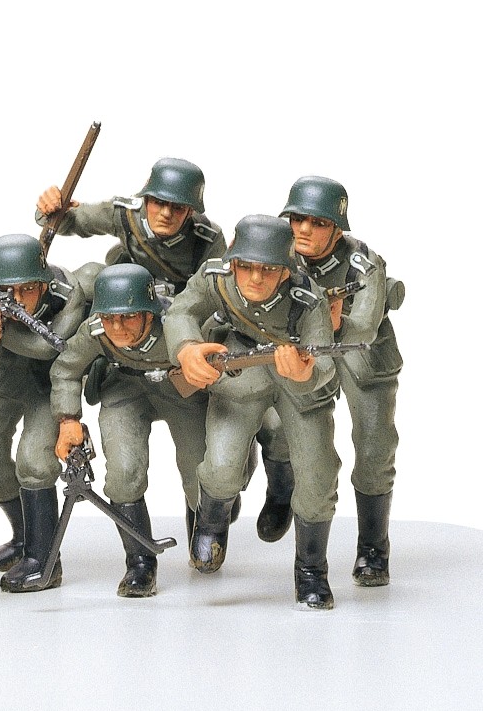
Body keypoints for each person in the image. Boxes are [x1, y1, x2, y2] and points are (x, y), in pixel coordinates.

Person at [163, 215, 342, 609]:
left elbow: (326, 360)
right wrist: (187, 348)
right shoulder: (215, 278)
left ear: (286, 268)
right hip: (240, 371)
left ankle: (311, 569)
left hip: (296, 378)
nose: (256, 279)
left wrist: (306, 372)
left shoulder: (308, 299)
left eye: (269, 269)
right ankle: (212, 524)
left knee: (317, 475)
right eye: (246, 266)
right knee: (222, 465)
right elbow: (180, 312)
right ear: (232, 258)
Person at [50, 264, 208, 596]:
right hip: (125, 388)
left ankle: (205, 532)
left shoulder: (175, 324)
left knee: (200, 470)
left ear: (150, 313)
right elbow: (66, 368)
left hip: (180, 390)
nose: (118, 327)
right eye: (110, 318)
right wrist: (67, 419)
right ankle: (140, 563)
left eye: (129, 317)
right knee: (123, 474)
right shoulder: (96, 330)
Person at [281, 176, 402, 586]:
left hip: (361, 356)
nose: (304, 230)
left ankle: (373, 549)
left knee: (374, 449)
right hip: (304, 354)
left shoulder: (364, 263)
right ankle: (279, 491)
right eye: (297, 219)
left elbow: (364, 326)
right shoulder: (277, 255)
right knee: (279, 426)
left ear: (337, 228)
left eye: (318, 223)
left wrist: (334, 321)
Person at [0, 234, 86, 592]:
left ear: (43, 283)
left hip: (49, 388)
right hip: (0, 382)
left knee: (35, 463)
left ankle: (44, 560)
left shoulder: (67, 295)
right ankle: (24, 539)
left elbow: (50, 346)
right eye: (8, 290)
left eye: (28, 289)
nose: (19, 299)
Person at [35, 157, 226, 295]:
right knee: (89, 276)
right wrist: (51, 209)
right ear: (146, 199)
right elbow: (73, 221)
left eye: (178, 207)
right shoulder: (125, 215)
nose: (166, 214)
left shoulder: (208, 240)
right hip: (126, 290)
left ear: (190, 212)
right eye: (159, 203)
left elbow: (214, 292)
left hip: (175, 305)